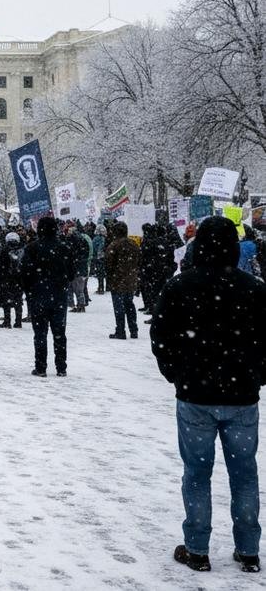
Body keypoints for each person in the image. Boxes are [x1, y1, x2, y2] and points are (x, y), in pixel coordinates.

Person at [150, 216, 266, 575]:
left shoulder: (180, 286)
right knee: (244, 474)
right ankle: (248, 549)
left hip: (196, 394)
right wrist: (257, 375)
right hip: (241, 395)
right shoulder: (253, 288)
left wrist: (176, 373)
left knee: (197, 473)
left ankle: (198, 548)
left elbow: (161, 336)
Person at [20, 216, 75, 377]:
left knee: (40, 333)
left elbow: (24, 272)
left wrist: (29, 289)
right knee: (59, 333)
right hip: (58, 296)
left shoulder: (32, 248)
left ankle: (41, 367)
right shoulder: (64, 248)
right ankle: (61, 367)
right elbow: (71, 273)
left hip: (38, 295)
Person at [105, 221, 140, 339]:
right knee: (129, 305)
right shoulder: (134, 244)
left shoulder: (114, 245)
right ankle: (134, 330)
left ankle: (120, 330)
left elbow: (108, 264)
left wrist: (110, 276)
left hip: (117, 281)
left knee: (119, 307)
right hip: (131, 280)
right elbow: (139, 261)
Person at [0, 232, 24, 328]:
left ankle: (7, 321)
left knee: (6, 300)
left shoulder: (4, 250)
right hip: (19, 279)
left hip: (6, 279)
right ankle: (18, 321)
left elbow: (0, 266)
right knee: (18, 300)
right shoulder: (21, 250)